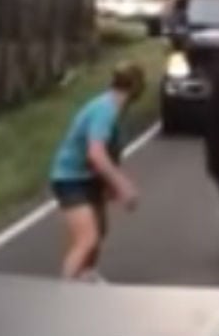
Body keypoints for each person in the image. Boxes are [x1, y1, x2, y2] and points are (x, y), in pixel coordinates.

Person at [49, 61, 146, 282]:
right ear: (136, 89)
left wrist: (109, 185)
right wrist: (123, 185)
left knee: (99, 233)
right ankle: (63, 295)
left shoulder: (111, 109)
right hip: (70, 179)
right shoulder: (106, 110)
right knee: (87, 239)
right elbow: (96, 153)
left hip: (89, 178)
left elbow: (109, 153)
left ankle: (86, 277)